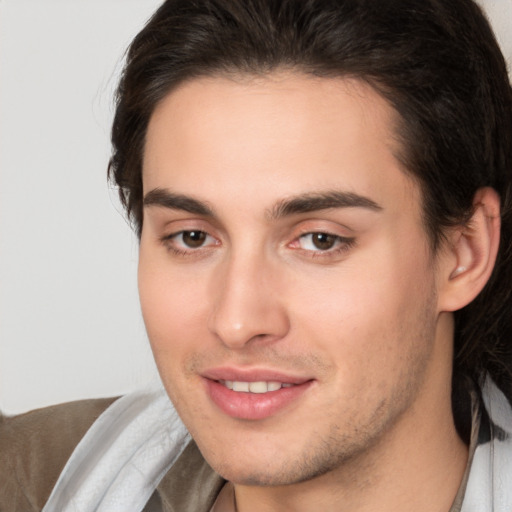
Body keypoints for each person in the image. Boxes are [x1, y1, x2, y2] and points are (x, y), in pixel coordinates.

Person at [1, 0, 512, 510]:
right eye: (193, 237)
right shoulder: (23, 481)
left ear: (463, 253)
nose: (237, 322)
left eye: (320, 240)